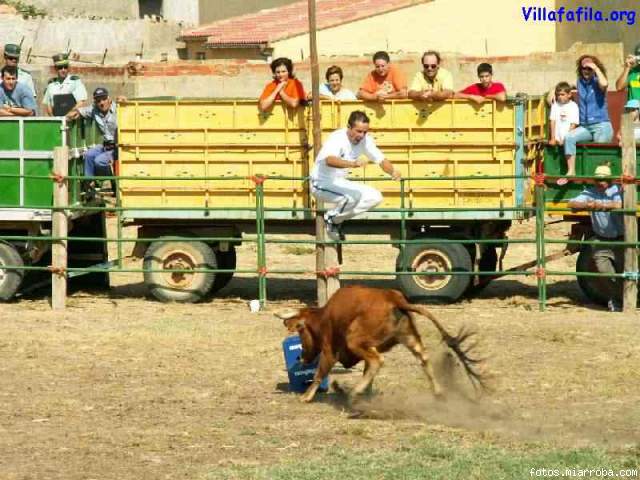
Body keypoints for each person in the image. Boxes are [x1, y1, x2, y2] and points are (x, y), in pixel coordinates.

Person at [310, 110, 401, 241]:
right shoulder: (337, 138)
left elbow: (380, 159)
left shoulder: (365, 140)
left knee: (375, 197)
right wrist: (353, 164)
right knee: (351, 198)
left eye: (365, 132)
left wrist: (393, 171)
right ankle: (331, 219)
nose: (362, 135)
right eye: (359, 131)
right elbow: (329, 160)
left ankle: (335, 218)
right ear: (349, 128)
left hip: (339, 181)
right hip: (320, 183)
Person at [568, 164, 624, 312]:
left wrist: (601, 204)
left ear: (610, 180)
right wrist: (587, 204)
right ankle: (617, 299)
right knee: (604, 271)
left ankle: (622, 300)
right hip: (601, 239)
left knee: (626, 272)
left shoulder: (617, 190)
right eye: (598, 179)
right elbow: (571, 203)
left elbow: (621, 204)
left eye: (603, 180)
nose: (600, 182)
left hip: (622, 240)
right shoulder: (591, 192)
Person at [558, 55, 613, 186]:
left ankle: (601, 185)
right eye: (584, 68)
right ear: (580, 69)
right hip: (586, 126)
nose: (586, 71)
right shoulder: (579, 82)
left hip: (601, 125)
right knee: (569, 137)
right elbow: (563, 90)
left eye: (589, 68)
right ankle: (571, 171)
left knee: (598, 156)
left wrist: (595, 68)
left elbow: (605, 84)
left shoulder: (598, 81)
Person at [66, 87, 117, 194]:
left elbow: (128, 105)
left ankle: (114, 178)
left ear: (109, 99)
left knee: (99, 161)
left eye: (103, 99)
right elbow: (78, 113)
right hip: (105, 145)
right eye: (98, 101)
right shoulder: (94, 110)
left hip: (118, 147)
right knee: (89, 155)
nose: (101, 103)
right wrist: (66, 117)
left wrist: (124, 100)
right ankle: (88, 185)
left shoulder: (118, 108)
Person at [548, 81, 579, 146]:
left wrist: (566, 139)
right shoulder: (555, 105)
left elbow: (573, 125)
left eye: (562, 94)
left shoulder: (573, 106)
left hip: (568, 139)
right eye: (558, 94)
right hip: (556, 140)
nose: (560, 97)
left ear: (569, 95)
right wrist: (553, 138)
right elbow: (552, 122)